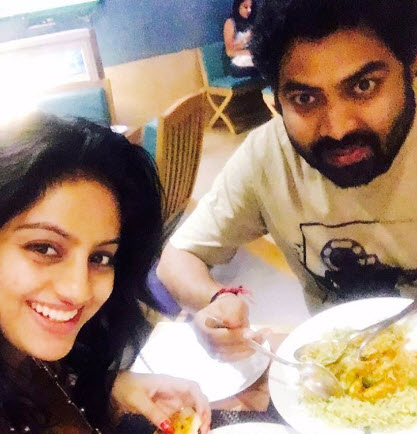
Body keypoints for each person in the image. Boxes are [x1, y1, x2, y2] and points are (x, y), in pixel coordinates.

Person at [157, 0, 417, 360]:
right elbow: (177, 258)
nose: (338, 128)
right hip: (336, 370)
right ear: (277, 102)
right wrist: (216, 301)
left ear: (410, 68)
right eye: (305, 98)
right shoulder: (267, 157)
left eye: (363, 85)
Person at [0, 113, 211, 434]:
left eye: (100, 257)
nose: (78, 290)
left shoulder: (30, 350)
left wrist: (112, 389)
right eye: (44, 248)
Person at [224, 0, 260, 77]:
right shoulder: (230, 22)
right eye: (245, 7)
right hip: (238, 63)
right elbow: (229, 52)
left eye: (251, 7)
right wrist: (247, 41)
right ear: (238, 7)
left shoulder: (252, 21)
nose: (249, 10)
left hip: (252, 58)